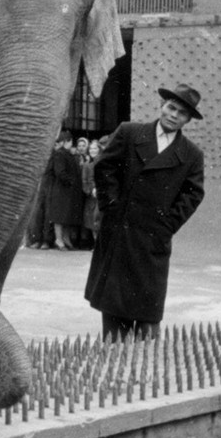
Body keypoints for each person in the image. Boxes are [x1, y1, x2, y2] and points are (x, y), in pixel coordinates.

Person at [85, 84, 206, 341]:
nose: (174, 115)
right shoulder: (130, 133)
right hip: (120, 231)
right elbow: (104, 167)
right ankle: (114, 359)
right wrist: (112, 207)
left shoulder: (192, 154)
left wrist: (167, 225)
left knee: (147, 315)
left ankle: (142, 368)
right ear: (162, 106)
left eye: (182, 113)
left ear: (188, 120)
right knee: (114, 310)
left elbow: (193, 194)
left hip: (153, 239)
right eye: (171, 107)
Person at [26, 130, 71, 249]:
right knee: (38, 212)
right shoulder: (43, 154)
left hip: (51, 184)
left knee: (48, 213)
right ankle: (37, 239)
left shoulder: (57, 155)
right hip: (42, 183)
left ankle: (46, 240)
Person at [48, 134, 85, 250]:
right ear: (65, 142)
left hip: (68, 191)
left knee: (67, 216)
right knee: (59, 217)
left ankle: (65, 239)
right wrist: (72, 181)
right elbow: (60, 172)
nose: (71, 144)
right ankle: (59, 240)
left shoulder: (68, 154)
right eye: (70, 142)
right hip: (63, 190)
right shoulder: (60, 154)